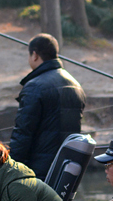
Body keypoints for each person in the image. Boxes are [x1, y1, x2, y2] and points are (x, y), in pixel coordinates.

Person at [9, 33, 86, 182]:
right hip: (67, 169)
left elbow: (23, 133)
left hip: (37, 171)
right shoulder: (75, 84)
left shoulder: (34, 87)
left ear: (35, 55)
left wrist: (11, 169)